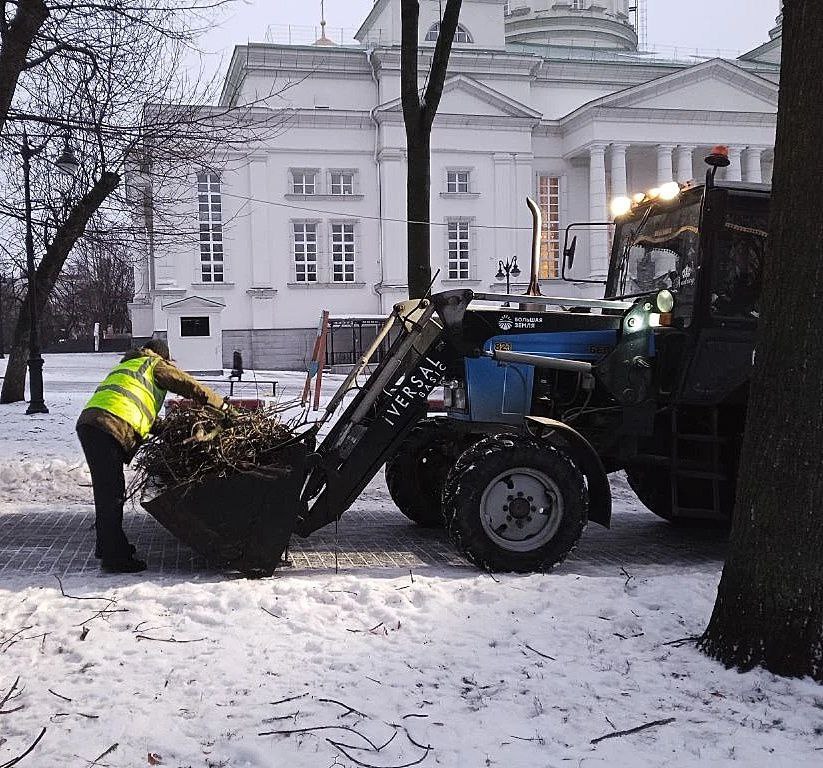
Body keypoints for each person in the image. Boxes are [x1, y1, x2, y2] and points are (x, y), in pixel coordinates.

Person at [76, 339, 228, 573]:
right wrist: (222, 407)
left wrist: (170, 430)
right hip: (108, 426)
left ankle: (108, 546)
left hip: (93, 424)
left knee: (108, 490)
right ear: (162, 356)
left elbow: (137, 409)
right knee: (111, 493)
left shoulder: (130, 366)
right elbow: (188, 384)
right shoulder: (153, 363)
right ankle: (114, 557)